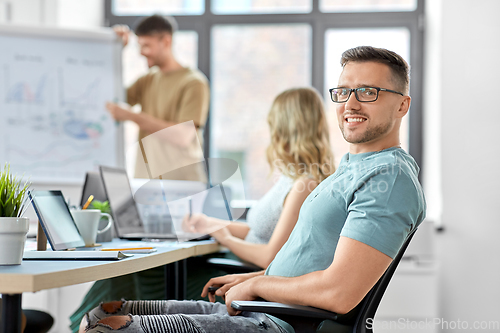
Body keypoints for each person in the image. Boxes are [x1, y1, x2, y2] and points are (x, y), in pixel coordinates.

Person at [79, 46, 426, 333]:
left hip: (275, 322)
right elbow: (310, 261)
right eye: (343, 92)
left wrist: (259, 286)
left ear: (402, 104)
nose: (350, 104)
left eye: (368, 92)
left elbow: (340, 293)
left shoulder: (388, 177)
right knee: (101, 312)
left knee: (107, 327)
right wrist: (255, 277)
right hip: (260, 308)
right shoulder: (348, 169)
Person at [184, 87, 334, 269]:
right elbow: (257, 232)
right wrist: (209, 223)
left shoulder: (305, 185)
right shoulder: (291, 177)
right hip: (241, 269)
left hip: (246, 276)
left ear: (284, 129)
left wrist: (226, 239)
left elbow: (270, 257)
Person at [107, 15, 210, 181]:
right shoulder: (148, 79)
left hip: (183, 185)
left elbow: (182, 136)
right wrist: (115, 49)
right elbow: (111, 97)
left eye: (147, 45)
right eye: (139, 46)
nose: (141, 52)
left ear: (166, 42)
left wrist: (132, 116)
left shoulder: (194, 82)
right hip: (148, 182)